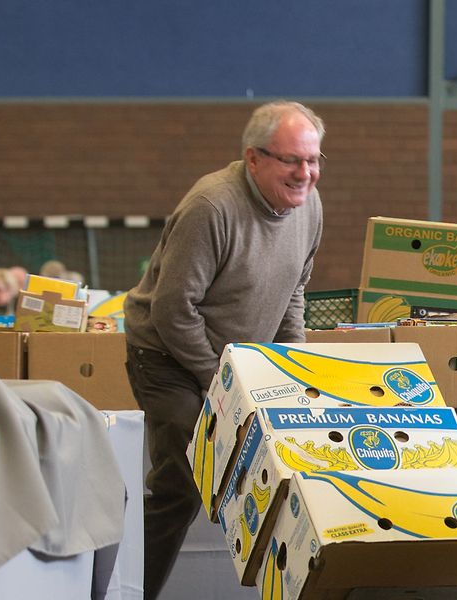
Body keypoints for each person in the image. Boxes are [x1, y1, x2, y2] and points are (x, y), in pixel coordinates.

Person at [123, 101, 324, 599]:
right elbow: (173, 310)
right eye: (291, 161)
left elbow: (294, 292)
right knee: (184, 482)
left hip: (238, 362)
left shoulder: (308, 208)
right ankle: (124, 592)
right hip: (167, 356)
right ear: (253, 158)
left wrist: (289, 369)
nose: (306, 174)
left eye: (314, 160)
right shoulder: (211, 207)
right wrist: (221, 384)